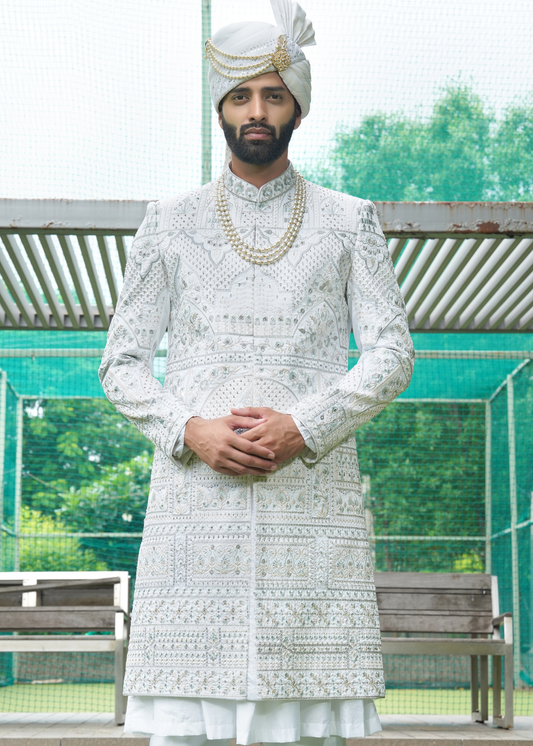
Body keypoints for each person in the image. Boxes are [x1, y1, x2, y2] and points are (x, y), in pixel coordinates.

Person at [99, 1, 414, 744]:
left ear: (297, 109)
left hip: (311, 513)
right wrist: (190, 430)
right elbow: (120, 363)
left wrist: (304, 425)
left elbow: (392, 351)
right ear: (220, 109)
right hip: (193, 514)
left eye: (273, 94)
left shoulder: (349, 219)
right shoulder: (169, 220)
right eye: (239, 95)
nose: (256, 109)